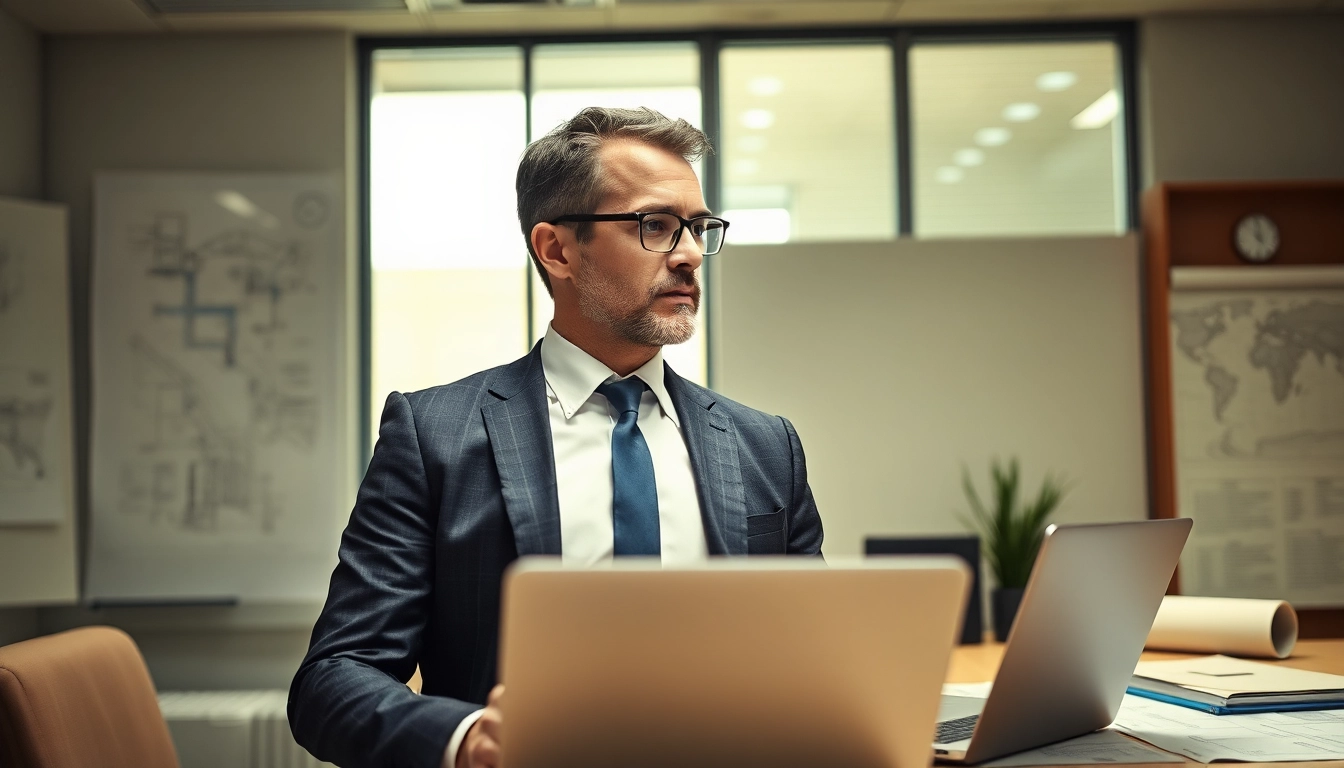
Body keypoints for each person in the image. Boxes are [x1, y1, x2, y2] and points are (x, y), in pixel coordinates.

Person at [288, 106, 824, 768]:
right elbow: (333, 679)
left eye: (699, 227)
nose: (689, 254)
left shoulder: (765, 445)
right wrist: (468, 740)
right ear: (556, 249)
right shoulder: (434, 436)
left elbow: (814, 664)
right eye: (656, 226)